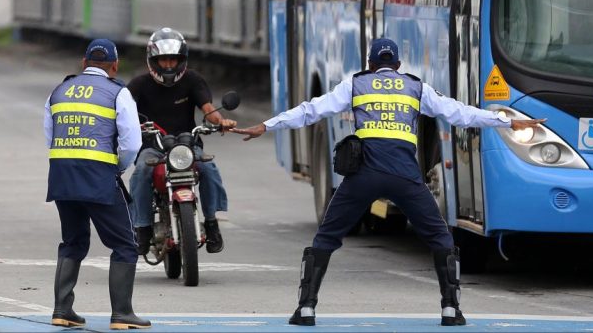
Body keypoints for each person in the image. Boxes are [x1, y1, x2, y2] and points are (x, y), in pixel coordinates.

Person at [232, 38, 546, 327]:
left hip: (362, 177)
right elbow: (460, 114)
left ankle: (306, 309)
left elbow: (311, 111)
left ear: (370, 63)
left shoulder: (355, 84)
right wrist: (507, 120)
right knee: (440, 238)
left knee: (326, 237)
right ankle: (451, 310)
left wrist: (266, 125)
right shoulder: (416, 87)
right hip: (404, 177)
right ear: (397, 65)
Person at [44, 39, 150, 330]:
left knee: (73, 240)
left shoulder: (59, 90)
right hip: (99, 176)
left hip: (62, 175)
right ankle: (122, 314)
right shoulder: (119, 92)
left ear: (83, 62)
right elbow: (131, 142)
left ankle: (62, 309)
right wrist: (119, 167)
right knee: (125, 243)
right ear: (114, 66)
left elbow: (49, 133)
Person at [128, 28, 236, 255]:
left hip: (187, 146)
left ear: (182, 60)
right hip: (153, 147)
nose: (168, 66)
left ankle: (212, 223)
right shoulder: (139, 85)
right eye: (163, 60)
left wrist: (221, 121)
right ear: (153, 61)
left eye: (173, 60)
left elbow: (208, 109)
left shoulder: (193, 80)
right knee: (140, 173)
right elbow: (124, 113)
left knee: (209, 168)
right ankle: (142, 228)